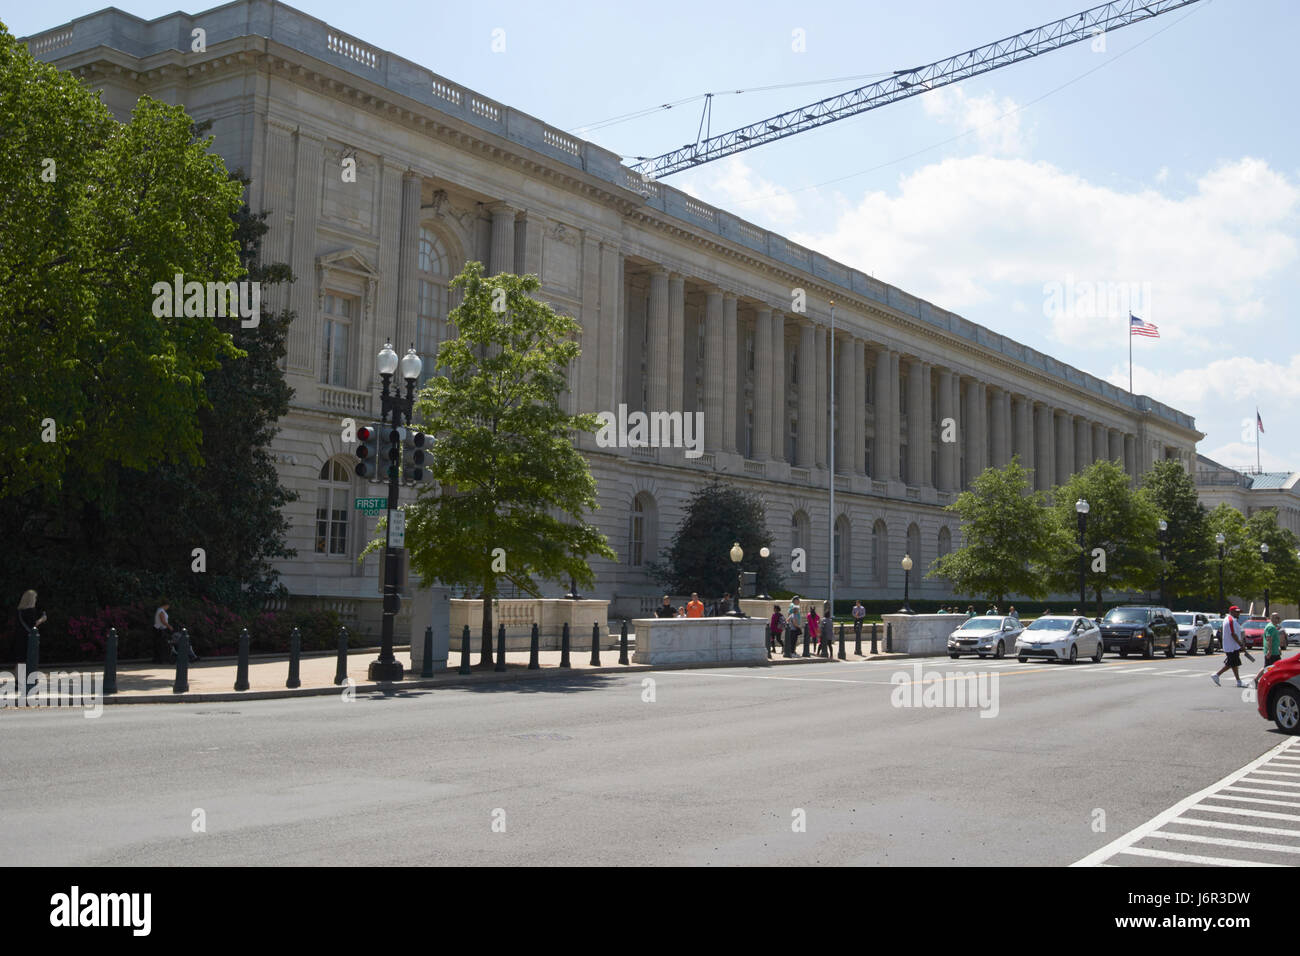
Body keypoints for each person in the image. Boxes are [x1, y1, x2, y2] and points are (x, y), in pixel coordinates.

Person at [1212, 605, 1248, 688]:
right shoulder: (1230, 620)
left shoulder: (1231, 620)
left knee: (1234, 664)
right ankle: (1216, 675)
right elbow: (1233, 634)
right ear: (1231, 612)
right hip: (1231, 646)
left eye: (1239, 612)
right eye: (1237, 612)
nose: (1238, 613)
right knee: (1231, 663)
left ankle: (1238, 681)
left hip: (1232, 646)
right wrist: (1241, 644)